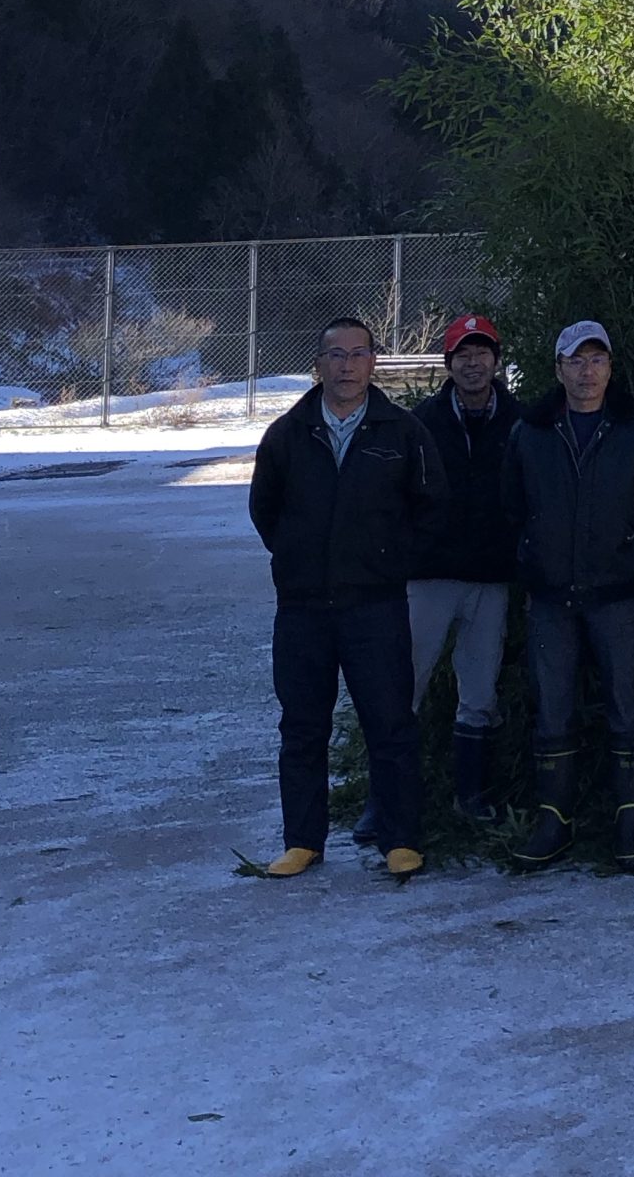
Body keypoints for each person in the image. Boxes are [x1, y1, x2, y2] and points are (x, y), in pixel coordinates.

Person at [246, 316, 446, 878]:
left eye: (359, 354)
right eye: (336, 354)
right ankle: (303, 842)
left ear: (373, 363)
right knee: (303, 727)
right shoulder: (288, 434)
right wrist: (295, 558)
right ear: (319, 363)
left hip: (375, 606)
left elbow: (431, 508)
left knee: (389, 723)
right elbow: (265, 509)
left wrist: (389, 562)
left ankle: (400, 839)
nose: (347, 365)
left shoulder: (402, 433)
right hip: (304, 607)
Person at [502, 319, 634, 868]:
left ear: (611, 367)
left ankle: (631, 817)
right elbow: (511, 508)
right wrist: (531, 559)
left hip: (616, 593)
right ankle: (555, 818)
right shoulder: (530, 431)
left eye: (597, 359)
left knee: (627, 704)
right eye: (576, 361)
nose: (587, 371)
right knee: (552, 708)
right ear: (558, 369)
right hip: (551, 596)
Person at [402, 315, 521, 829]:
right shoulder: (421, 421)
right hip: (432, 576)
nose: (473, 364)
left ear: (496, 360)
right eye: (462, 355)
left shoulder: (522, 420)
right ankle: (389, 799)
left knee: (479, 691)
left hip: (493, 577)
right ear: (448, 364)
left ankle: (470, 797)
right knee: (405, 684)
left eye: (482, 353)